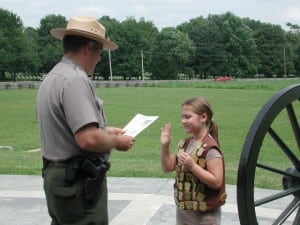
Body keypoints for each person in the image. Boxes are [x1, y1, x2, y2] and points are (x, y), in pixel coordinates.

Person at [36, 15, 136, 225]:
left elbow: (68, 130)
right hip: (76, 182)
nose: (99, 58)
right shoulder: (75, 80)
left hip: (59, 178)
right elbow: (88, 139)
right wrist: (117, 142)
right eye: (99, 51)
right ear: (89, 48)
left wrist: (106, 131)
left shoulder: (54, 76)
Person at [160, 96, 227, 225]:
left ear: (203, 117)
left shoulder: (210, 148)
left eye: (187, 117)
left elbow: (217, 182)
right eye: (182, 117)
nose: (183, 121)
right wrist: (165, 145)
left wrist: (193, 166)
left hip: (205, 217)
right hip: (184, 213)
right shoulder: (185, 143)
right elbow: (167, 167)